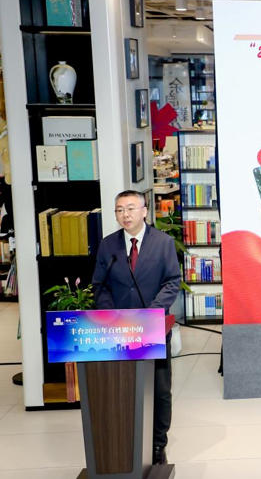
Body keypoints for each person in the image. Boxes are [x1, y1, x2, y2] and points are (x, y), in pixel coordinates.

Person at [91, 190, 180, 466]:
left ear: (144, 211)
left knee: (159, 389)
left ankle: (157, 444)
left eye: (130, 208)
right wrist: (114, 315)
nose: (125, 215)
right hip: (119, 331)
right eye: (119, 210)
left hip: (153, 327)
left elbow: (172, 282)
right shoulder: (108, 246)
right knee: (123, 388)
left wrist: (151, 313)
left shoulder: (163, 243)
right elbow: (99, 285)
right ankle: (126, 442)